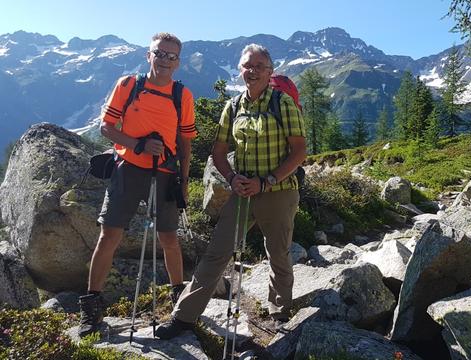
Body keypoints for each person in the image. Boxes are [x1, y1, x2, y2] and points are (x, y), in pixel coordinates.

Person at [156, 43, 306, 339]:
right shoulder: (233, 106)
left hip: (278, 190)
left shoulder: (282, 103)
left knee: (277, 252)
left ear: (269, 72)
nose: (252, 71)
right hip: (242, 191)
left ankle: (280, 312)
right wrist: (232, 178)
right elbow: (219, 152)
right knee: (217, 253)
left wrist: (267, 181)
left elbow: (299, 152)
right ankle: (184, 317)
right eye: (247, 66)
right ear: (240, 69)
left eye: (259, 67)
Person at [78, 32, 197, 337]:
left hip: (167, 173)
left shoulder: (182, 95)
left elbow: (185, 141)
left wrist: (184, 181)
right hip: (128, 168)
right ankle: (91, 311)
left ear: (178, 62)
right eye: (160, 54)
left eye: (171, 56)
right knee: (109, 236)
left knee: (169, 238)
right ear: (149, 56)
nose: (165, 60)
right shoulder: (129, 86)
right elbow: (107, 127)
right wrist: (137, 144)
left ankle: (178, 300)